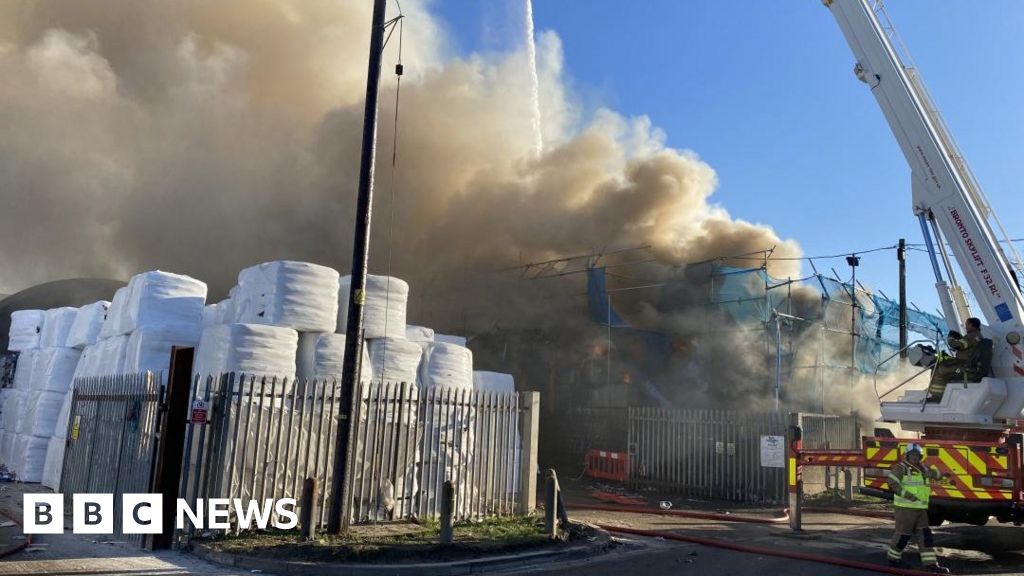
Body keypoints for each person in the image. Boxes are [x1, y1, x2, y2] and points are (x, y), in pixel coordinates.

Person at [885, 443, 949, 573]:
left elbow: (935, 474)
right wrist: (908, 496)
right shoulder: (901, 468)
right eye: (912, 455)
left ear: (921, 456)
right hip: (905, 508)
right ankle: (893, 560)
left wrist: (942, 474)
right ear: (907, 455)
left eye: (917, 455)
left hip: (920, 509)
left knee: (925, 536)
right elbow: (892, 483)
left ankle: (930, 564)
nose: (915, 457)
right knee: (903, 535)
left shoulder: (923, 468)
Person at [927, 317, 983, 403]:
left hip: (963, 369)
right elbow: (965, 347)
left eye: (967, 324)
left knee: (939, 370)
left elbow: (957, 345)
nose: (965, 326)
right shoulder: (978, 336)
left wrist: (950, 338)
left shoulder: (972, 336)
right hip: (967, 366)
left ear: (972, 325)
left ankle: (937, 397)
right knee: (942, 362)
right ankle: (941, 394)